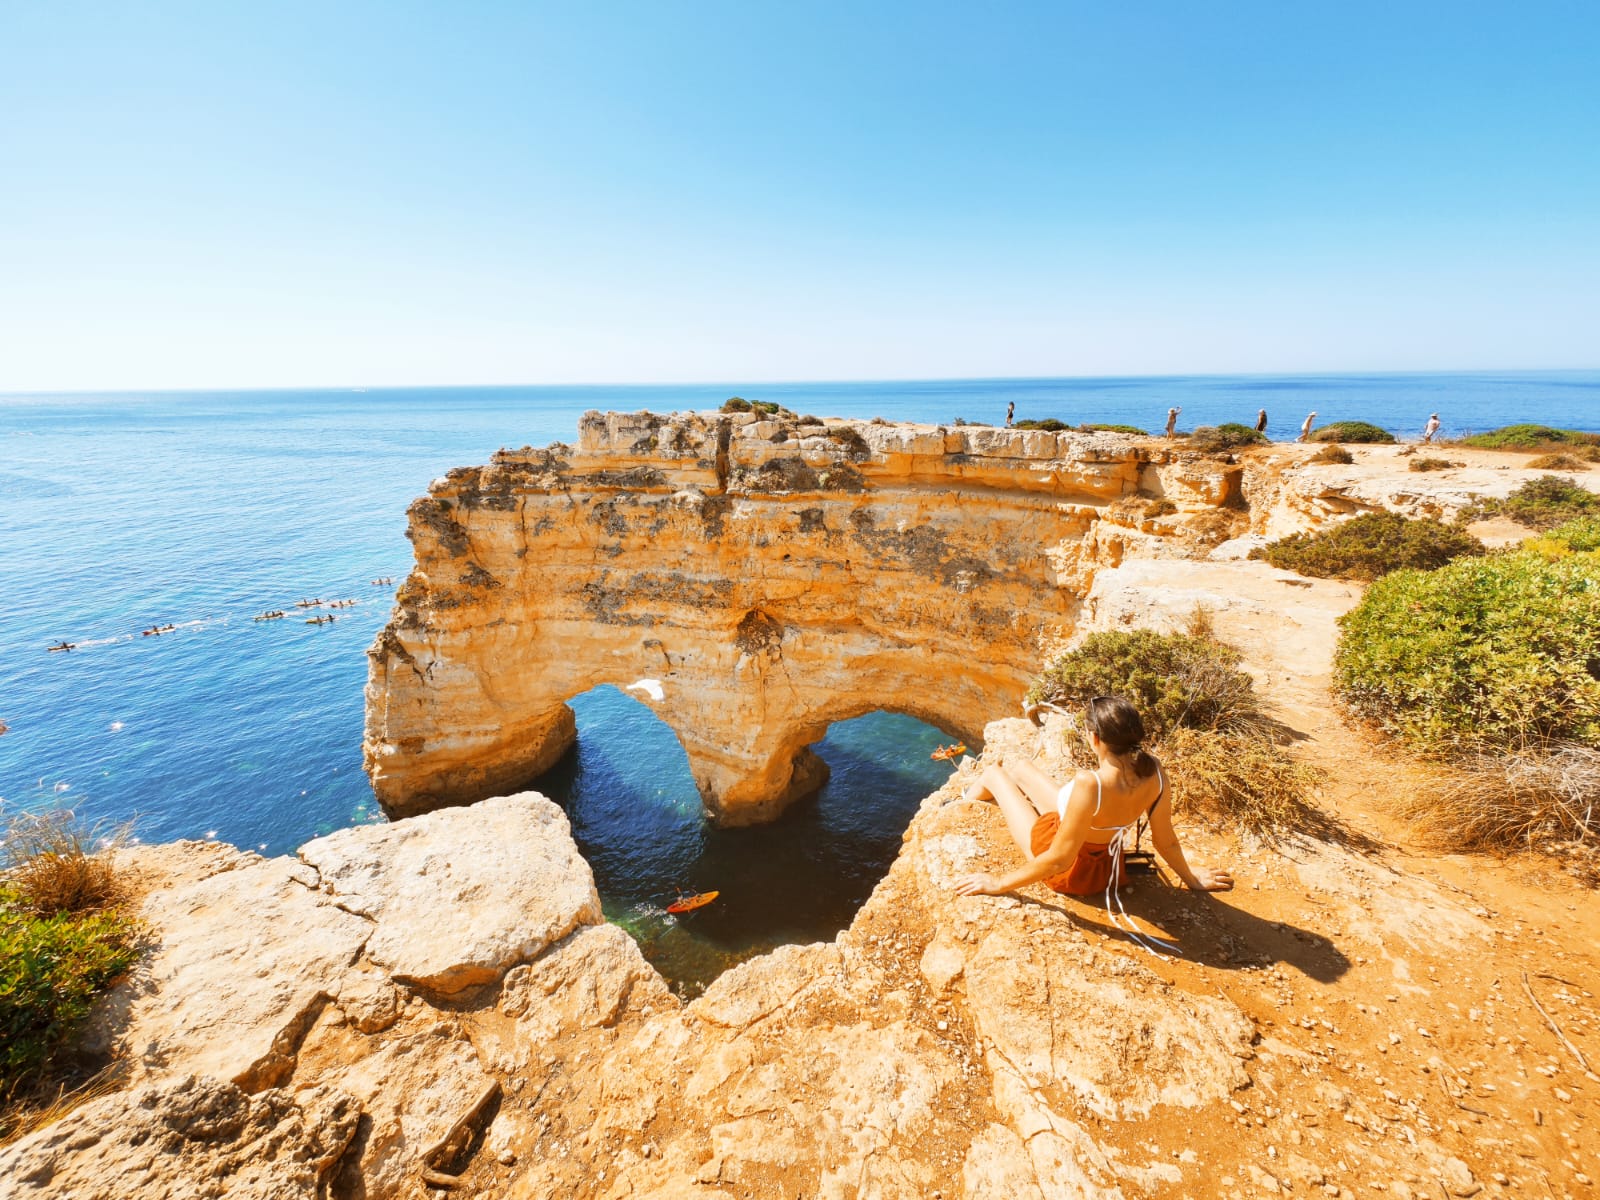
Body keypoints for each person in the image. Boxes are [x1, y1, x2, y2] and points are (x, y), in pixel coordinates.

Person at [953, 695, 1233, 907]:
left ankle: (957, 806)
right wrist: (1191, 879)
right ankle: (972, 795)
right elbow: (1166, 841)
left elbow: (1058, 860)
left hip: (1074, 870)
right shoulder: (1154, 772)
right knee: (1021, 769)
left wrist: (998, 883)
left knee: (993, 773)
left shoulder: (1091, 783)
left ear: (1095, 738)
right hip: (1107, 858)